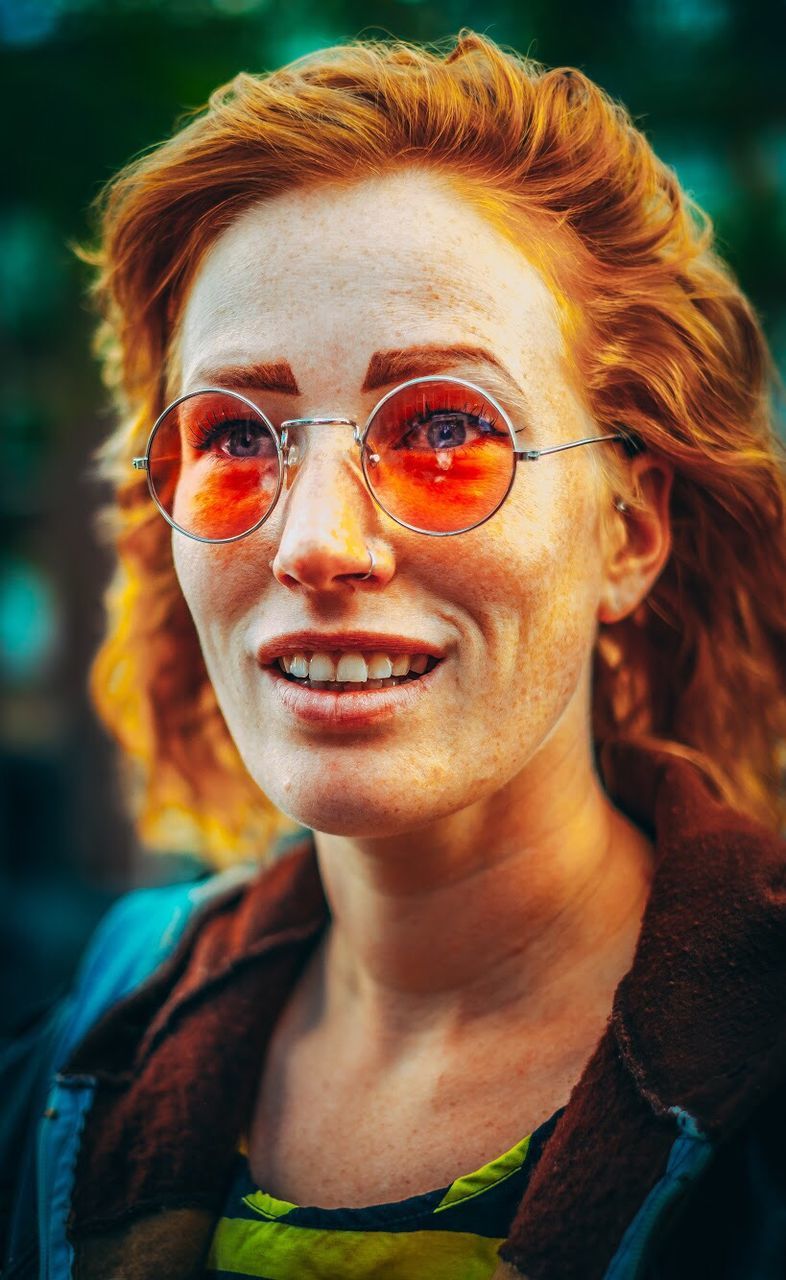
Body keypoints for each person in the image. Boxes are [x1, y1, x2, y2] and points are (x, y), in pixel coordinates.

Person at [3, 29, 786, 1280]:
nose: (315, 541)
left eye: (443, 432)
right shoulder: (86, 1037)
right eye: (238, 440)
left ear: (628, 530)